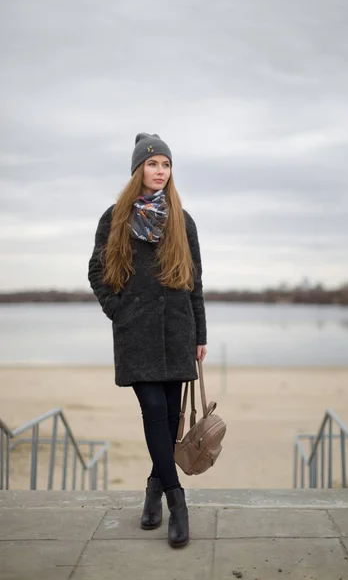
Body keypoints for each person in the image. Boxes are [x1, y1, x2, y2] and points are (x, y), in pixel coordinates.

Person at [88, 132, 207, 549]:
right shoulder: (115, 217)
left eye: (167, 165)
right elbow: (97, 272)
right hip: (135, 333)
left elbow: (195, 283)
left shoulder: (182, 219)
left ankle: (154, 491)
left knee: (171, 416)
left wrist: (200, 334)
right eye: (154, 164)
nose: (161, 171)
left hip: (177, 331)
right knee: (154, 408)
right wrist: (119, 310)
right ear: (138, 169)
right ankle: (177, 501)